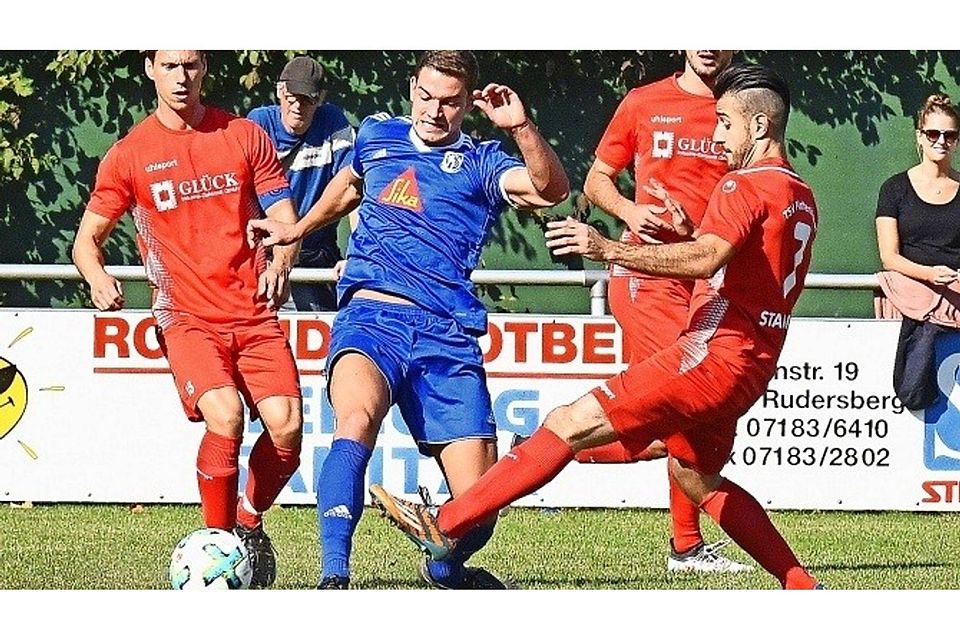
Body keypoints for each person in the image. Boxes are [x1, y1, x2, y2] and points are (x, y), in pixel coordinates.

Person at [370, 63, 823, 590]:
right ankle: (802, 589)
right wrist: (685, 231)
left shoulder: (740, 184)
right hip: (751, 365)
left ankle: (445, 523)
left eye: (724, 123)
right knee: (696, 477)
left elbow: (705, 260)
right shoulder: (798, 192)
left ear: (760, 127)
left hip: (710, 354)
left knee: (570, 420)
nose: (717, 136)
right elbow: (734, 259)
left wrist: (607, 248)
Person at [248, 50, 569, 589]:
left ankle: (444, 567)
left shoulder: (484, 161)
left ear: (469, 104)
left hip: (448, 334)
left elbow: (550, 191)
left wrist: (522, 128)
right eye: (425, 96)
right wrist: (297, 228)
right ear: (411, 88)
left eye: (449, 103)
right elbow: (348, 188)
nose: (433, 111)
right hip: (371, 318)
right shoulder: (376, 136)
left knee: (480, 504)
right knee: (355, 420)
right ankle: (334, 577)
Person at [71, 50, 303, 589]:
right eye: (171, 66)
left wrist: (282, 257)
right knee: (225, 417)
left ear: (204, 69)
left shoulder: (245, 135)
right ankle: (217, 544)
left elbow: (284, 218)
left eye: (192, 65)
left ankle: (247, 524)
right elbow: (87, 240)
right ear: (151, 67)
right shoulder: (130, 155)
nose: (182, 77)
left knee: (288, 427)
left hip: (254, 313)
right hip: (187, 317)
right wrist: (98, 277)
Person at [579, 49, 750, 573]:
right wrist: (631, 211)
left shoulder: (742, 111)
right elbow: (596, 180)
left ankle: (543, 444)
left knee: (691, 425)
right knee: (684, 413)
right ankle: (686, 547)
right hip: (645, 278)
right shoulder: (644, 101)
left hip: (706, 277)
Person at [248, 56, 356, 311]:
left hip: (316, 255)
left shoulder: (333, 122)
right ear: (279, 91)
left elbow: (353, 186)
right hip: (264, 254)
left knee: (323, 332)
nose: (297, 105)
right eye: (291, 96)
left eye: (307, 98)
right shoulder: (258, 123)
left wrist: (356, 256)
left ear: (320, 99)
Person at [876, 94, 960, 410]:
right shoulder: (894, 189)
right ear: (919, 137)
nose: (941, 141)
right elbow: (889, 255)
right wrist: (928, 275)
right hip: (907, 304)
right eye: (933, 134)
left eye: (950, 135)